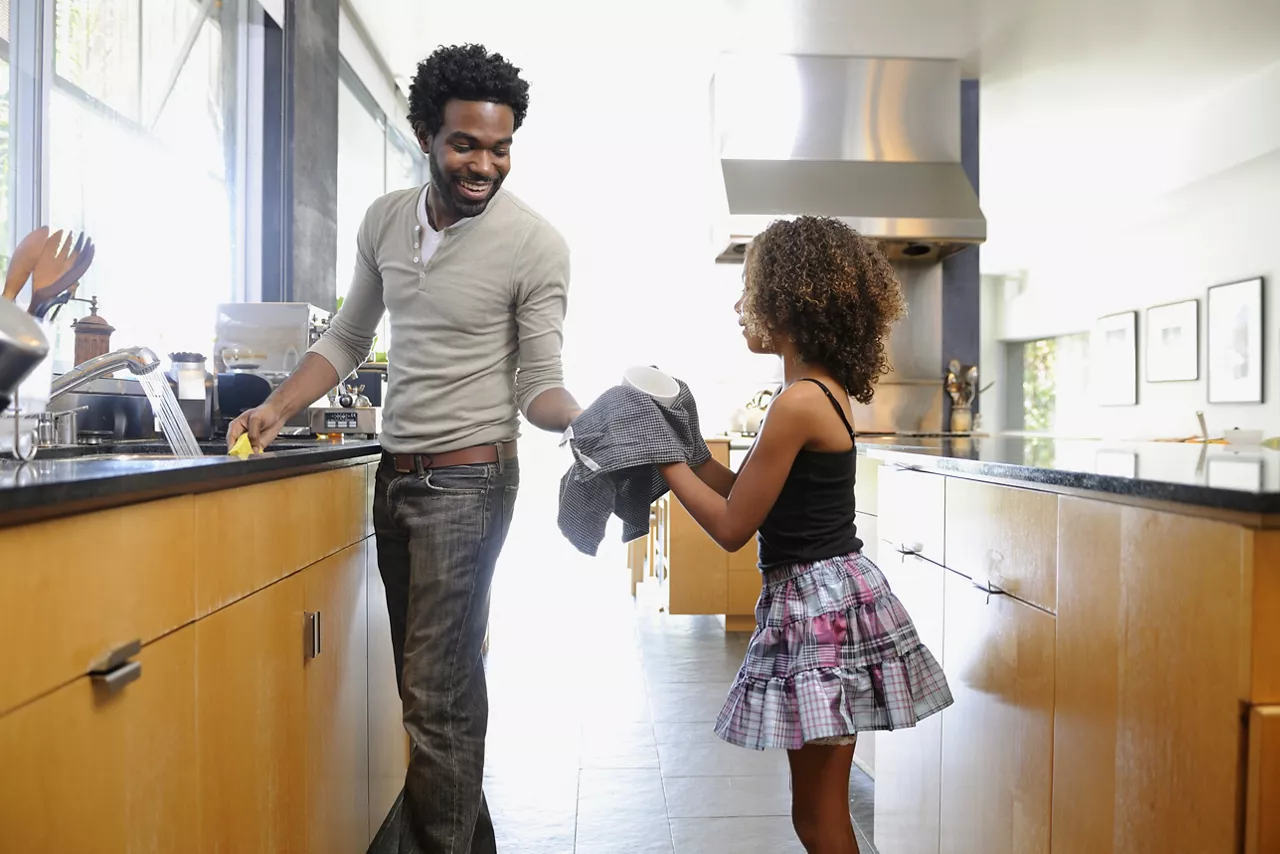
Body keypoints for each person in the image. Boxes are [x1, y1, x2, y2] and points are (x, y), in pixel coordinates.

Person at [227, 44, 581, 854]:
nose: (484, 164)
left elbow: (538, 383)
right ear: (426, 134)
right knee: (434, 693)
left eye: (500, 147)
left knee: (434, 696)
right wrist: (276, 404)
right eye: (466, 144)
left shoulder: (537, 244)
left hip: (471, 481)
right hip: (396, 477)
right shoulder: (386, 218)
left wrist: (587, 418)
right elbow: (350, 336)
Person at [656, 216, 953, 854]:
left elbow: (734, 526)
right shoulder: (817, 391)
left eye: (750, 289)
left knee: (819, 820)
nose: (739, 305)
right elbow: (745, 490)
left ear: (790, 299)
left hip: (816, 607)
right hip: (833, 598)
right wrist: (686, 444)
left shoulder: (797, 403)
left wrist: (660, 459)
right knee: (819, 815)